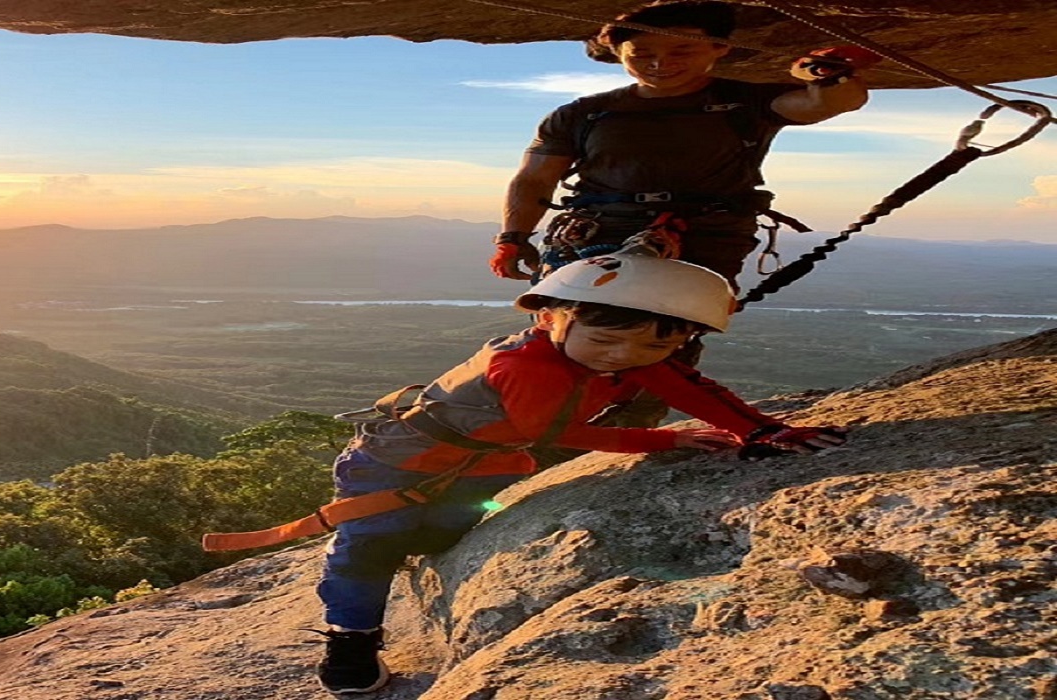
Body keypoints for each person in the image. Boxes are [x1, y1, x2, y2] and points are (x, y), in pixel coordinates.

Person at [201, 251, 848, 694]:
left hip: (483, 465)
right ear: (549, 318)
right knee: (368, 549)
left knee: (444, 531)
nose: (626, 357)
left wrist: (760, 430)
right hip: (393, 464)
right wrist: (663, 440)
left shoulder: (618, 343)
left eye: (657, 343)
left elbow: (690, 385)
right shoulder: (531, 366)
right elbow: (555, 432)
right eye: (606, 343)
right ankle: (350, 645)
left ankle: (425, 544)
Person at [490, 0, 879, 285]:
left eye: (682, 50)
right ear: (617, 53)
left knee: (658, 333)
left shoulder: (749, 101)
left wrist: (828, 75)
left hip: (704, 235)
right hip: (600, 230)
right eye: (642, 53)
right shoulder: (580, 114)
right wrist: (512, 237)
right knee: (570, 329)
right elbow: (534, 180)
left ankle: (634, 398)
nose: (661, 63)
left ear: (719, 48)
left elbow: (828, 103)